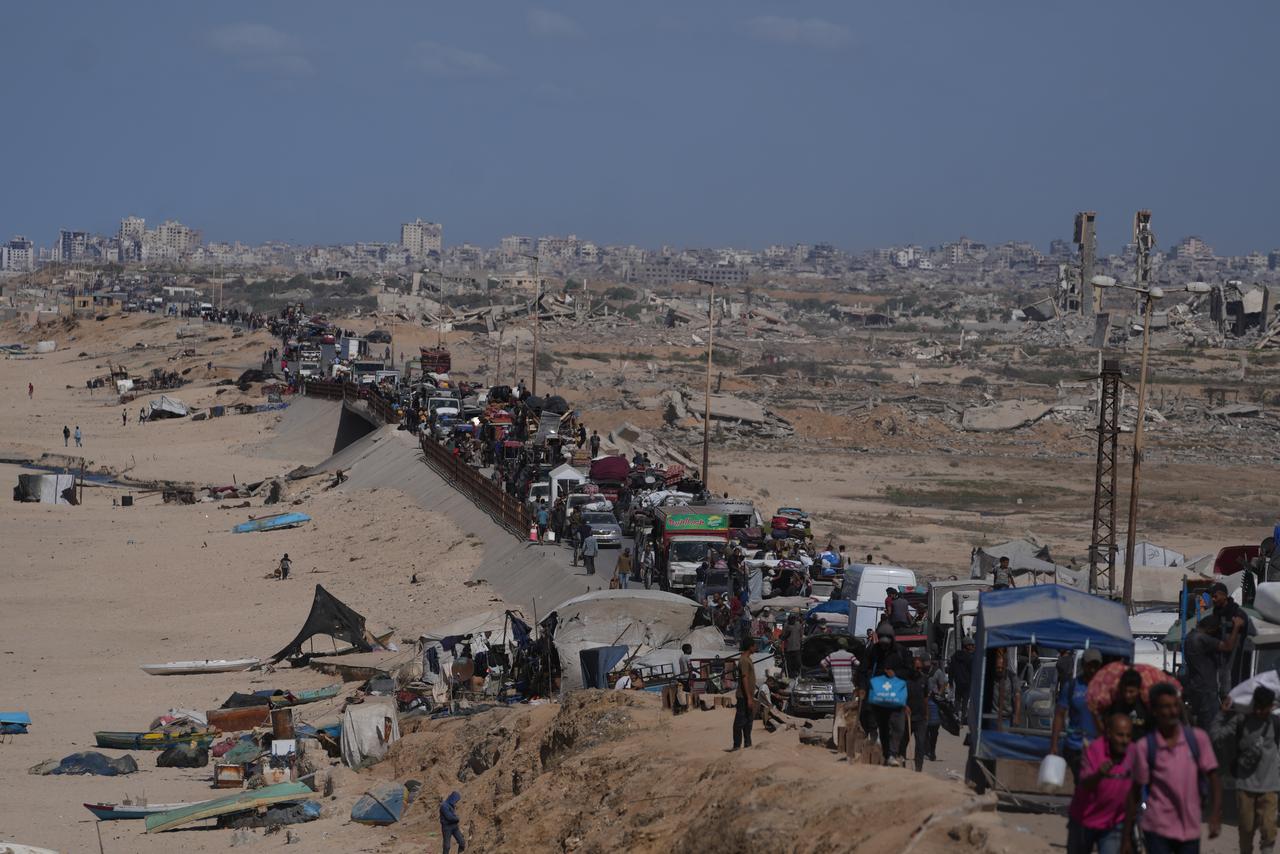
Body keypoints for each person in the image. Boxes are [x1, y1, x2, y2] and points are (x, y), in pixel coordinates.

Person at [1127, 682, 1221, 853]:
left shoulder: (1198, 739)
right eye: (1165, 707)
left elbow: (1214, 778)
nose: (1171, 711)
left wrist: (1215, 814)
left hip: (1190, 828)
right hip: (1157, 827)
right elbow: (1135, 791)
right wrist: (1126, 836)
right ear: (1155, 711)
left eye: (1174, 706)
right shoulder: (1145, 747)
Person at [1210, 686, 1280, 854]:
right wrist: (1222, 714)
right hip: (1245, 786)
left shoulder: (1276, 723)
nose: (1258, 710)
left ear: (1271, 707)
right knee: (1246, 829)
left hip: (1270, 786)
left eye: (1263, 707)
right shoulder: (1241, 720)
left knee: (1269, 829)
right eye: (1256, 706)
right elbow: (1216, 735)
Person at [1066, 712, 1136, 854]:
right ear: (1109, 733)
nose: (1124, 740)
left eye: (1128, 736)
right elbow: (1085, 784)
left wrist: (1127, 837)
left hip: (1113, 823)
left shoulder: (1134, 753)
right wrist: (1099, 775)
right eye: (1120, 735)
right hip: (1084, 820)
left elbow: (1134, 797)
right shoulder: (1094, 750)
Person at [862, 622, 915, 767]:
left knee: (897, 727)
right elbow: (863, 670)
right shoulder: (873, 651)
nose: (884, 646)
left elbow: (910, 672)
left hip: (895, 694)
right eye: (882, 641)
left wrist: (896, 674)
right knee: (876, 722)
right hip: (877, 692)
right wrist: (862, 687)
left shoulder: (901, 652)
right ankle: (882, 750)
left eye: (887, 642)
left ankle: (892, 754)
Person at [1050, 647, 1104, 782]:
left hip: (1096, 746)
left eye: (1095, 666)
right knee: (1082, 780)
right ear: (1083, 665)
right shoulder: (1072, 686)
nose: (1092, 670)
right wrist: (1054, 744)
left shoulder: (1104, 688)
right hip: (1075, 746)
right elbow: (1059, 714)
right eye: (1089, 665)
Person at [1211, 581, 1250, 694]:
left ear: (1224, 595)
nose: (1213, 599)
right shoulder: (1216, 614)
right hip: (1219, 663)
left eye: (1215, 596)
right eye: (1212, 597)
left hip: (1234, 663)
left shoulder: (1237, 614)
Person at [1184, 614, 1222, 728]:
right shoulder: (1201, 638)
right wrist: (1236, 628)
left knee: (1201, 722)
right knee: (1210, 724)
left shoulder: (1189, 637)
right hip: (1206, 687)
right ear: (1211, 629)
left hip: (1195, 685)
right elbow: (1227, 646)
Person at [1104, 668, 1151, 738]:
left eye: (1131, 692)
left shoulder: (1146, 708)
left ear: (1139, 690)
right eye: (1125, 691)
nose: (1127, 695)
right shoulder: (1115, 707)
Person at [730, 636, 757, 751]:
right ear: (750, 647)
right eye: (754, 645)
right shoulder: (744, 661)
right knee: (740, 721)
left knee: (748, 721)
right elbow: (745, 678)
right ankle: (737, 746)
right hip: (744, 696)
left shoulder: (748, 659)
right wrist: (749, 698)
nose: (756, 647)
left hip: (748, 695)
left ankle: (747, 744)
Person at [986, 648, 1021, 732]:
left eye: (1001, 668)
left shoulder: (1012, 677)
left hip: (1006, 718)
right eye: (997, 668)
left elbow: (1017, 696)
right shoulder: (989, 678)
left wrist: (1017, 715)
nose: (1000, 670)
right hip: (991, 717)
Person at [948, 637, 975, 712]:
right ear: (967, 646)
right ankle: (963, 717)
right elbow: (972, 671)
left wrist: (950, 681)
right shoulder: (970, 657)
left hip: (958, 683)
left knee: (957, 700)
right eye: (971, 645)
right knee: (965, 702)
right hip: (967, 683)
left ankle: (957, 716)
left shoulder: (954, 656)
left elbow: (951, 670)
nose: (973, 647)